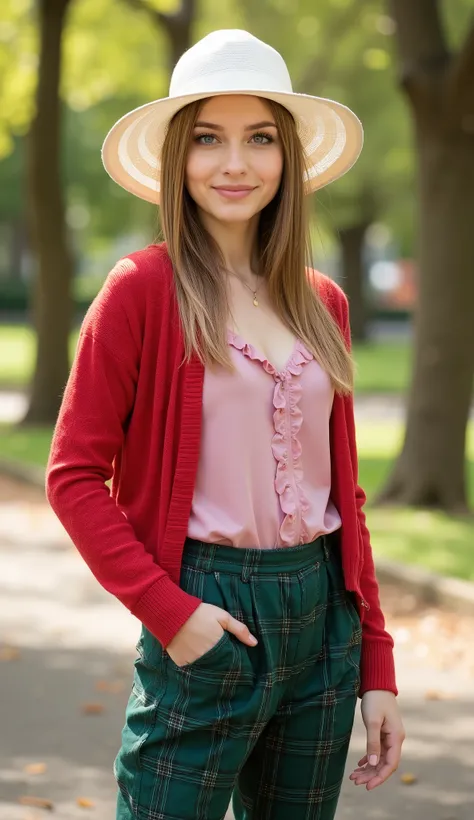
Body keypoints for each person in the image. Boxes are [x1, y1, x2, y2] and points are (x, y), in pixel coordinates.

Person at [46, 28, 405, 820]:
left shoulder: (324, 303)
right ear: (179, 156)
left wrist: (375, 663)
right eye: (208, 138)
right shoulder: (141, 290)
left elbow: (345, 498)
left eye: (260, 139)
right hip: (206, 605)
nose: (235, 164)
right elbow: (73, 475)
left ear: (288, 159)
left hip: (322, 619)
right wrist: (171, 614)